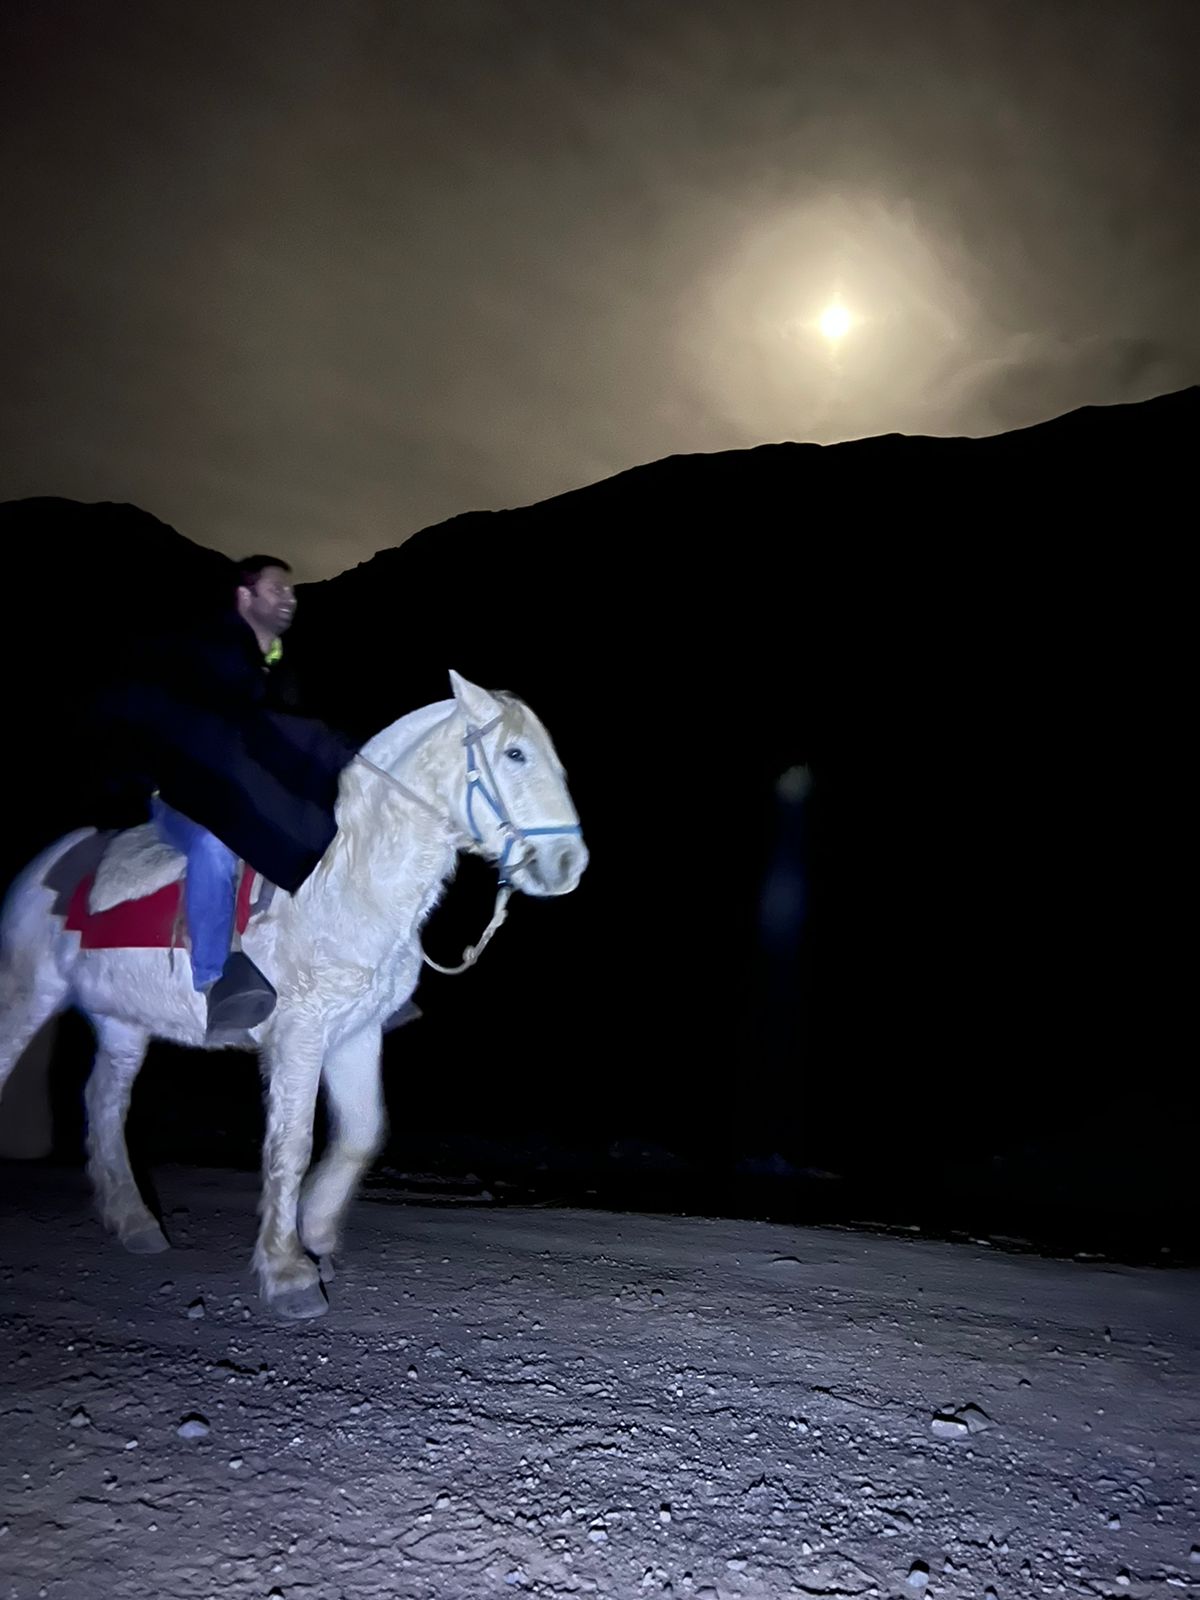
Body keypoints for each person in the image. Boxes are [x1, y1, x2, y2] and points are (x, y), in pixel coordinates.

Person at [100, 555, 359, 1040]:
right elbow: (218, 732)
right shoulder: (205, 657)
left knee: (321, 836)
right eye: (277, 589)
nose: (290, 598)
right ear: (245, 597)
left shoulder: (283, 673)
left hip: (243, 796)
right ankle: (215, 980)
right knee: (213, 847)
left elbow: (285, 745)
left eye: (292, 591)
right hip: (184, 796)